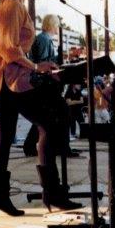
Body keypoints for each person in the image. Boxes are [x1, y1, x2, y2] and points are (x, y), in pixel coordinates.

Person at [0, 0, 80, 217]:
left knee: (5, 137)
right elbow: (9, 48)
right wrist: (36, 67)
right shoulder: (13, 5)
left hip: (6, 76)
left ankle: (0, 198)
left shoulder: (10, 4)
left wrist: (35, 66)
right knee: (51, 123)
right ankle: (52, 193)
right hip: (10, 79)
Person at [23, 14, 78, 157]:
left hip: (42, 83)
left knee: (45, 116)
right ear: (52, 25)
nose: (57, 28)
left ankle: (30, 146)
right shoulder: (44, 39)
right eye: (57, 25)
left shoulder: (43, 39)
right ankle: (62, 147)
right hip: (44, 84)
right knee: (62, 111)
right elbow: (43, 63)